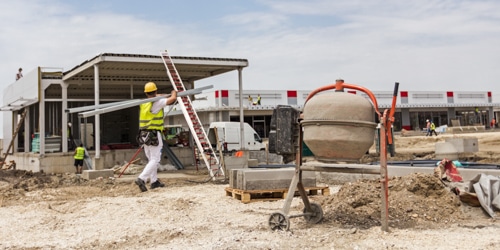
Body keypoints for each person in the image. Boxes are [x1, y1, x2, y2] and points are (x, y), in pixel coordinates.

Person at [135, 81, 177, 192]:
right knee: (155, 159)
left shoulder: (144, 103)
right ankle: (142, 178)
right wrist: (174, 93)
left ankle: (154, 181)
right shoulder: (157, 103)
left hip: (143, 135)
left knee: (150, 159)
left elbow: (157, 96)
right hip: (153, 134)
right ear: (156, 91)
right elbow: (172, 100)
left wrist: (163, 94)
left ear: (146, 93)